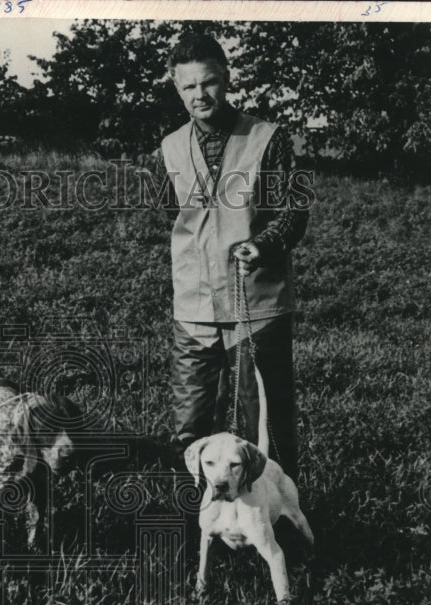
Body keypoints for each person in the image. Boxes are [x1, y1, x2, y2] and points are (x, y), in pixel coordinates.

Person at [159, 33, 309, 481]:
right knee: (190, 432)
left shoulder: (270, 138)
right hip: (194, 308)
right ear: (175, 86)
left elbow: (293, 211)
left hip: (256, 307)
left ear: (225, 79)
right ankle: (199, 525)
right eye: (188, 87)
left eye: (208, 83)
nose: (199, 95)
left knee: (264, 430)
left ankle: (279, 529)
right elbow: (176, 212)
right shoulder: (167, 148)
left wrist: (261, 244)